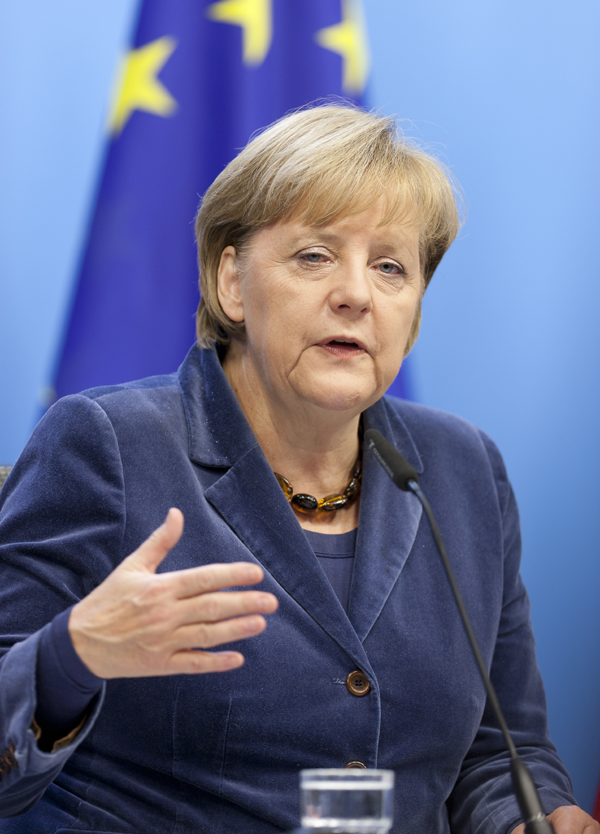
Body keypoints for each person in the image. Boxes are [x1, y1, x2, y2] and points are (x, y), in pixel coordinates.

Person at [0, 105, 596, 834]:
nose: (356, 293)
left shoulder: (462, 469)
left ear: (412, 315)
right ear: (232, 285)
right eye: (315, 256)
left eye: (390, 267)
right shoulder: (108, 447)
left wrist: (532, 818)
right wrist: (71, 655)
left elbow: (502, 750)